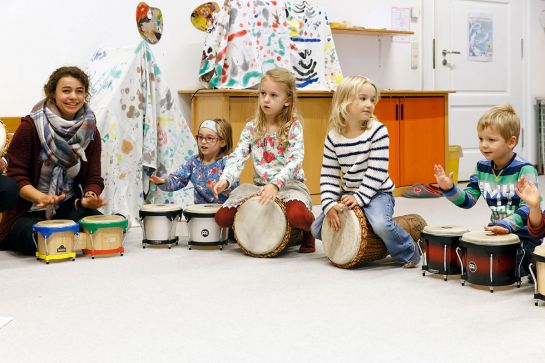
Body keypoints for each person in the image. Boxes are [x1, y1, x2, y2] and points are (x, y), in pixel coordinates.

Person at [310, 75, 420, 267]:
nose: (369, 104)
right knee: (317, 228)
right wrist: (328, 204)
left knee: (381, 225)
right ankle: (377, 235)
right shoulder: (333, 137)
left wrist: (360, 198)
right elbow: (328, 174)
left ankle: (409, 251)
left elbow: (376, 172)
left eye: (372, 100)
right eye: (363, 99)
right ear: (344, 102)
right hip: (349, 193)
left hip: (377, 192)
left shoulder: (377, 131)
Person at [0, 66, 105, 255]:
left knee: (104, 230)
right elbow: (16, 176)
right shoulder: (30, 127)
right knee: (32, 238)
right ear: (53, 93)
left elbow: (94, 177)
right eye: (66, 91)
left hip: (69, 205)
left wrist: (90, 197)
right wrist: (42, 198)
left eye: (79, 91)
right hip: (30, 209)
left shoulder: (90, 130)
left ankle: (67, 234)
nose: (73, 97)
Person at [212, 67, 316, 253]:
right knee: (222, 218)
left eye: (273, 95)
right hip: (260, 186)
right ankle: (270, 227)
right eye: (263, 93)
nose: (266, 99)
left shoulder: (293, 127)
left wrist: (276, 185)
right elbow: (238, 155)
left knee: (298, 216)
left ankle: (307, 232)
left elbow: (295, 160)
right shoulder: (252, 127)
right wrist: (225, 179)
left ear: (287, 100)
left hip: (289, 185)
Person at [434, 104, 542, 276]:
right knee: (472, 263)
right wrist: (449, 189)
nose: (484, 145)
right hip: (496, 230)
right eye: (481, 139)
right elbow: (468, 200)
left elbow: (528, 207)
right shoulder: (481, 168)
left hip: (525, 234)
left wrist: (506, 225)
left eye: (491, 140)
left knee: (522, 271)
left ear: (511, 142)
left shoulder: (525, 170)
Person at [150, 118, 236, 204]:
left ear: (222, 142)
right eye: (200, 137)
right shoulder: (194, 162)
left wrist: (222, 185)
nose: (203, 141)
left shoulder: (227, 162)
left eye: (209, 138)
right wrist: (162, 182)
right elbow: (178, 179)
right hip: (200, 213)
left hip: (224, 211)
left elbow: (233, 182)